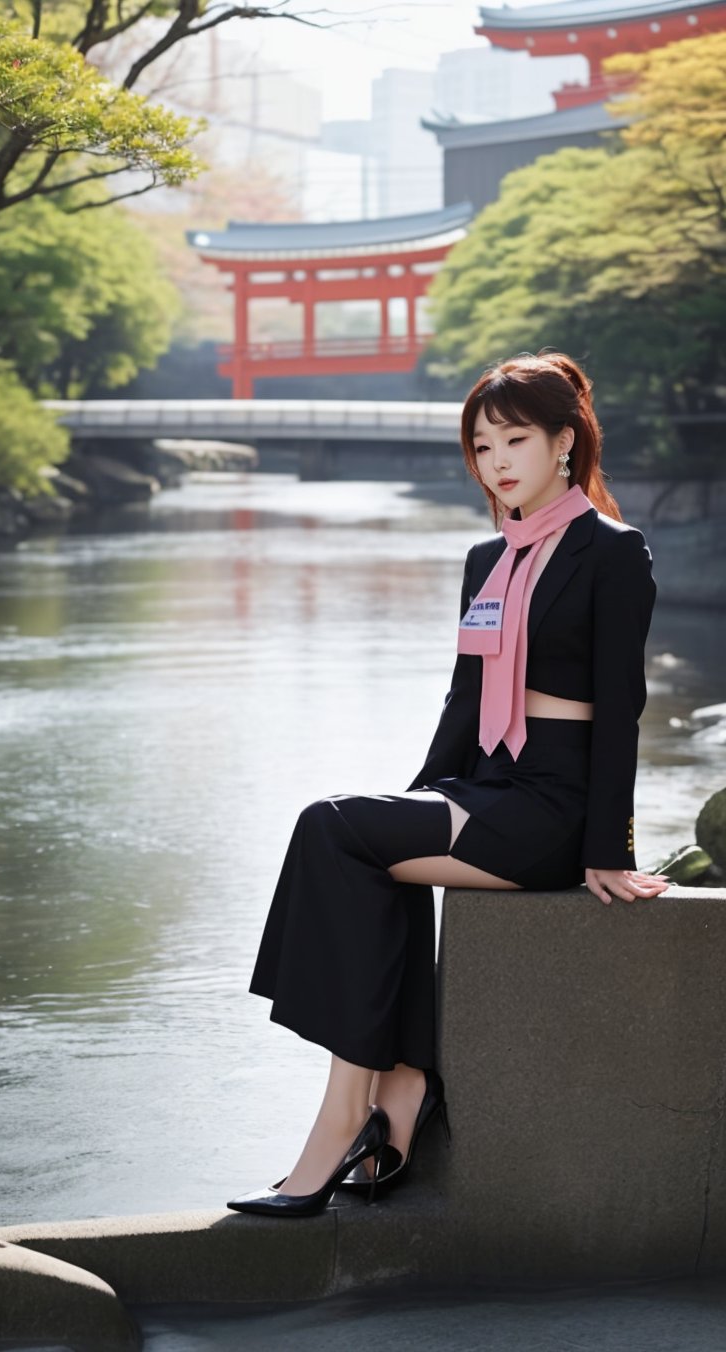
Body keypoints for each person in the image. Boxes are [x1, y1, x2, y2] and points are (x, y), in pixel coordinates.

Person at [226, 350, 671, 1219]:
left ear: (564, 443)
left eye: (516, 439)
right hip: (485, 789)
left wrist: (607, 848)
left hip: (552, 807)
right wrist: (416, 806)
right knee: (347, 837)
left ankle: (348, 1123)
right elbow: (463, 702)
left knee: (337, 828)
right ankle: (395, 1093)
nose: (498, 461)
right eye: (481, 446)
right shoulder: (485, 559)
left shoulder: (614, 553)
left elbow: (621, 709)